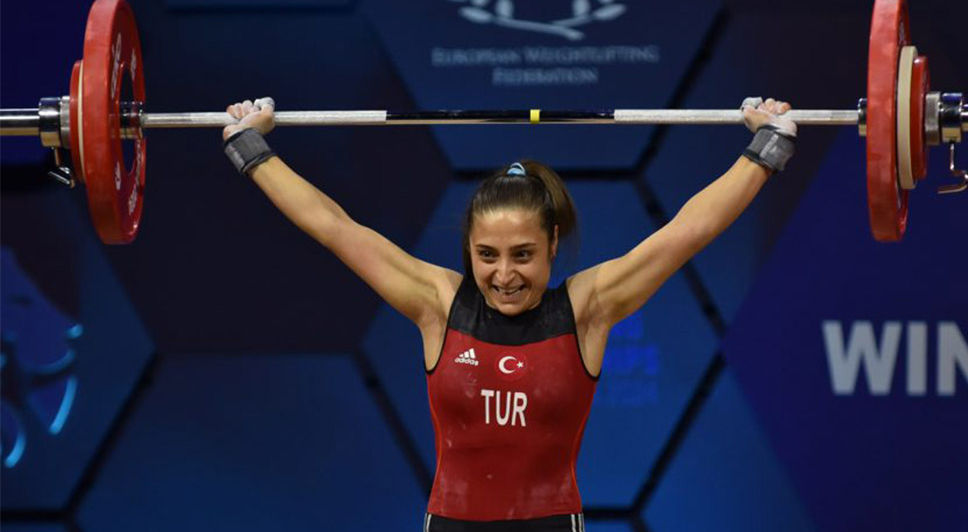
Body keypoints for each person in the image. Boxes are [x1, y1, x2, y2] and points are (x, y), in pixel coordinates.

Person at [220, 96, 796, 532]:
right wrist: (251, 147)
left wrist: (766, 148)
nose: (504, 275)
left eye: (523, 255)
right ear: (469, 251)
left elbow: (687, 232)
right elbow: (334, 227)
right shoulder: (437, 303)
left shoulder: (587, 309)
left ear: (552, 244)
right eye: (487, 256)